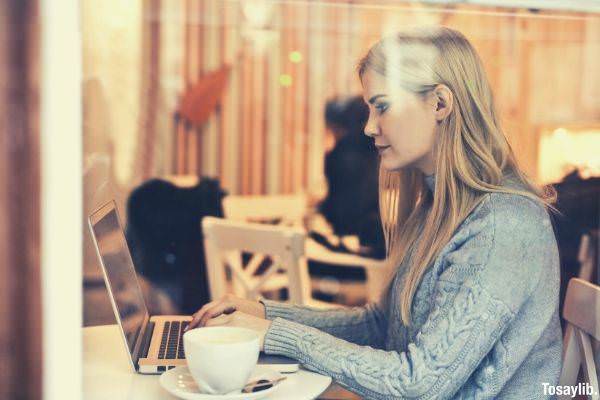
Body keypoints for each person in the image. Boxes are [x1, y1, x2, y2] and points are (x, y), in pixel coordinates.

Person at [186, 27, 562, 399]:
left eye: (382, 106)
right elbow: (381, 325)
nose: (369, 127)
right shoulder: (438, 208)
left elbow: (417, 383)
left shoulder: (502, 225)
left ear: (440, 104)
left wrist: (275, 335)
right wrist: (266, 316)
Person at [317, 95, 385, 258]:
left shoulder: (337, 154)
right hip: (369, 243)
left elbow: (339, 207)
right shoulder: (375, 152)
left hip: (348, 245)